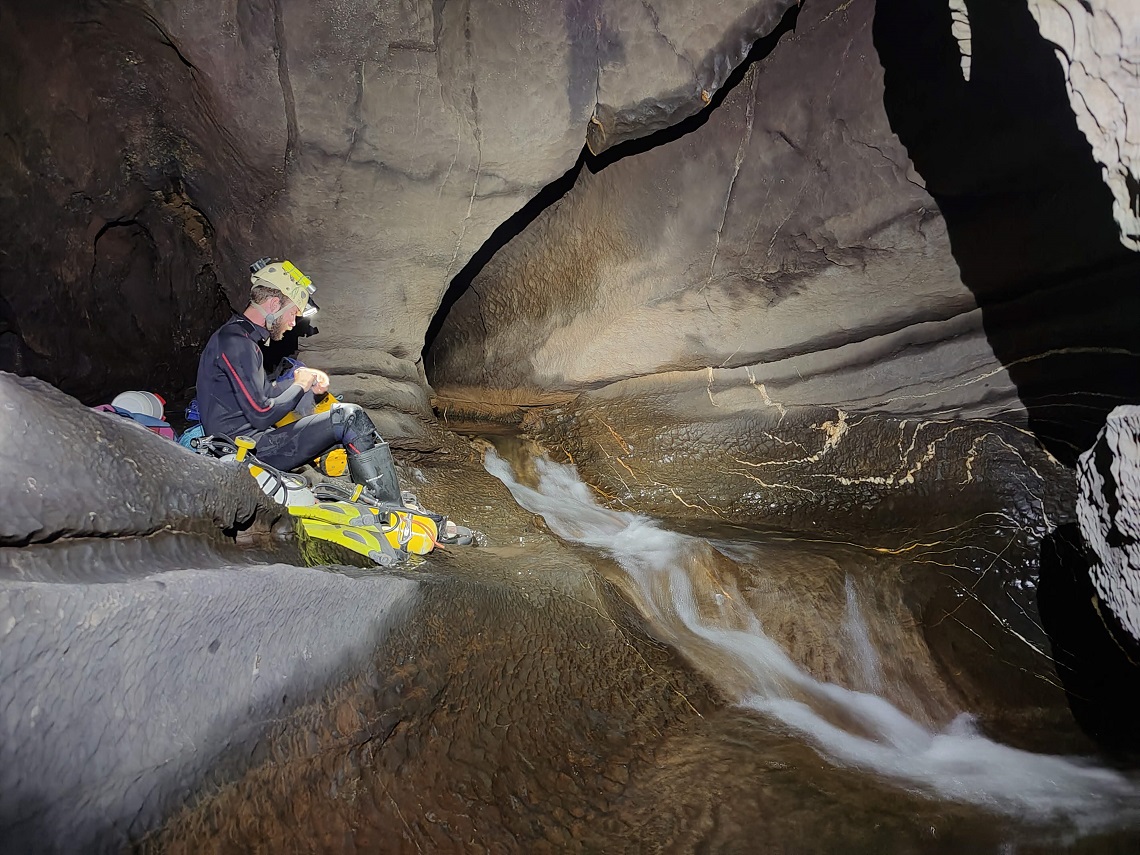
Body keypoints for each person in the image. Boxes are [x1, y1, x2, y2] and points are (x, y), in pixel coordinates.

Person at [196, 258, 402, 503]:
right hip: (245, 448)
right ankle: (391, 509)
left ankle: (371, 498)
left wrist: (303, 380)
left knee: (334, 425)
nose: (293, 323)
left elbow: (263, 396)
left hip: (251, 441)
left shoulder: (240, 338)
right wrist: (299, 385)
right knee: (349, 418)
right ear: (274, 304)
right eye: (293, 313)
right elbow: (261, 413)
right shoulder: (236, 343)